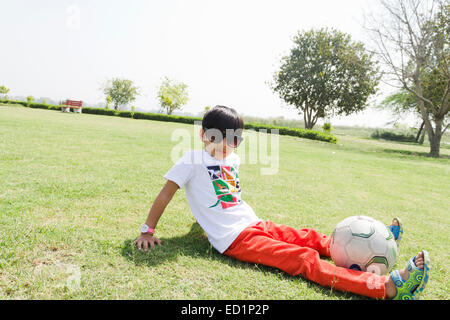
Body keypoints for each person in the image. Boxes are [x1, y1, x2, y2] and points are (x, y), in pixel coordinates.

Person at [133, 105, 430, 300]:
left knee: (310, 237)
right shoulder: (191, 159)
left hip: (254, 223)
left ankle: (378, 245)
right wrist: (148, 230)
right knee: (302, 259)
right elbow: (166, 194)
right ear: (204, 135)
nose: (227, 145)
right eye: (220, 138)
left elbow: (220, 197)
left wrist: (199, 222)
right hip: (235, 239)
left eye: (235, 139)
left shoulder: (232, 158)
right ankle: (386, 287)